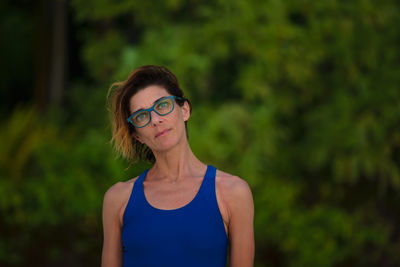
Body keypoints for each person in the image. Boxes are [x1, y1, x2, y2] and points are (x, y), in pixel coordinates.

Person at [101, 65, 254, 267]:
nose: (155, 120)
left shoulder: (233, 193)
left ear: (185, 110)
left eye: (162, 105)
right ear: (137, 136)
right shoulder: (118, 199)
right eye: (141, 116)